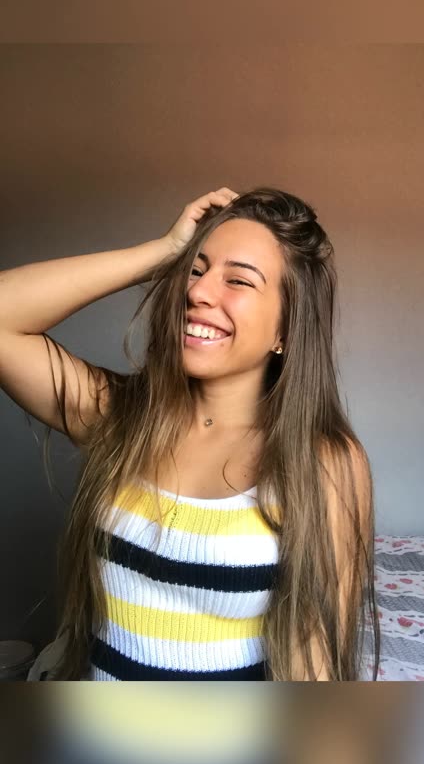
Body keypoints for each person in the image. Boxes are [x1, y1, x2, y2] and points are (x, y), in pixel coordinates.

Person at [0, 186, 380, 681]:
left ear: (285, 331)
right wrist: (161, 252)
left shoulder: (324, 460)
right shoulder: (122, 417)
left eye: (238, 280)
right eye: (195, 270)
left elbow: (314, 664)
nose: (197, 292)